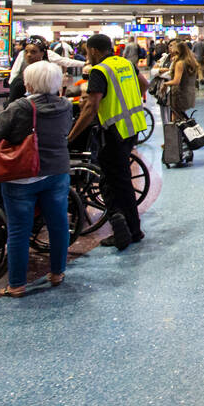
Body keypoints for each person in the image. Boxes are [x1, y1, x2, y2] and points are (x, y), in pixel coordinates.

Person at [0, 61, 73, 297]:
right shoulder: (65, 105)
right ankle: (57, 272)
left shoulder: (19, 107)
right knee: (58, 224)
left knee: (18, 230)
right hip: (57, 172)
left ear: (29, 82)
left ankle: (17, 284)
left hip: (21, 177)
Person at [67, 34, 149, 251]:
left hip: (113, 132)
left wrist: (71, 136)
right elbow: (145, 84)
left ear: (94, 50)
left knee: (114, 182)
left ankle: (126, 228)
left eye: (87, 52)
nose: (87, 56)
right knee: (120, 181)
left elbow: (91, 107)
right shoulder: (125, 64)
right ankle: (131, 227)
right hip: (132, 128)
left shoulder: (99, 71)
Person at [163, 40, 201, 121]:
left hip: (179, 94)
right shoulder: (192, 61)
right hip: (190, 93)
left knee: (176, 117)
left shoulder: (180, 63)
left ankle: (177, 133)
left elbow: (176, 81)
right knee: (182, 116)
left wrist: (165, 84)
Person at [6, 38, 48, 104]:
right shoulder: (19, 80)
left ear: (42, 53)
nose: (29, 55)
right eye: (26, 52)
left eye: (33, 52)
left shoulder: (49, 75)